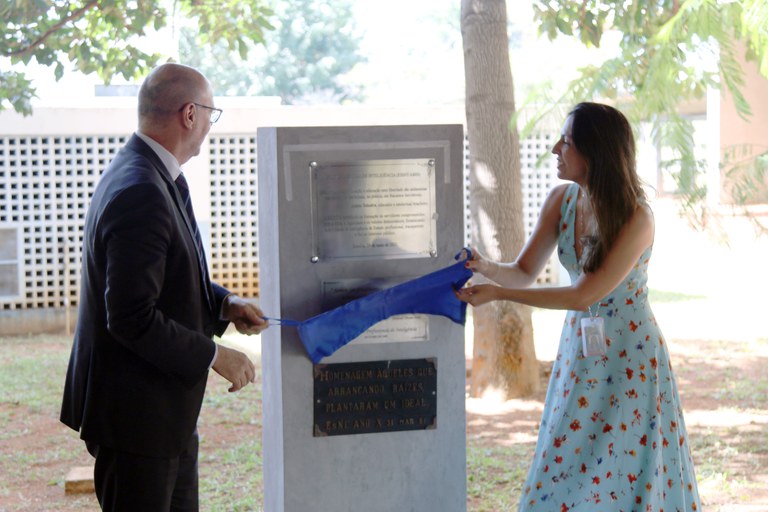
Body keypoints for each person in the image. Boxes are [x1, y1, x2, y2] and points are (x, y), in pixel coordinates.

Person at [456, 102, 701, 511]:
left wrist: (499, 296)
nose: (555, 148)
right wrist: (486, 269)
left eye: (566, 142)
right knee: (566, 452)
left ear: (596, 153)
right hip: (581, 349)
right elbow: (522, 271)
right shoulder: (561, 200)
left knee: (628, 459)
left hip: (630, 354)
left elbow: (584, 295)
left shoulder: (638, 218)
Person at [60, 63, 269, 511]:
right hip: (135, 419)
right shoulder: (141, 189)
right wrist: (216, 354)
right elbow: (132, 317)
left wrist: (226, 303)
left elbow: (169, 273)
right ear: (189, 114)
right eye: (211, 115)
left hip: (162, 413)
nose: (210, 127)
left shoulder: (151, 172)